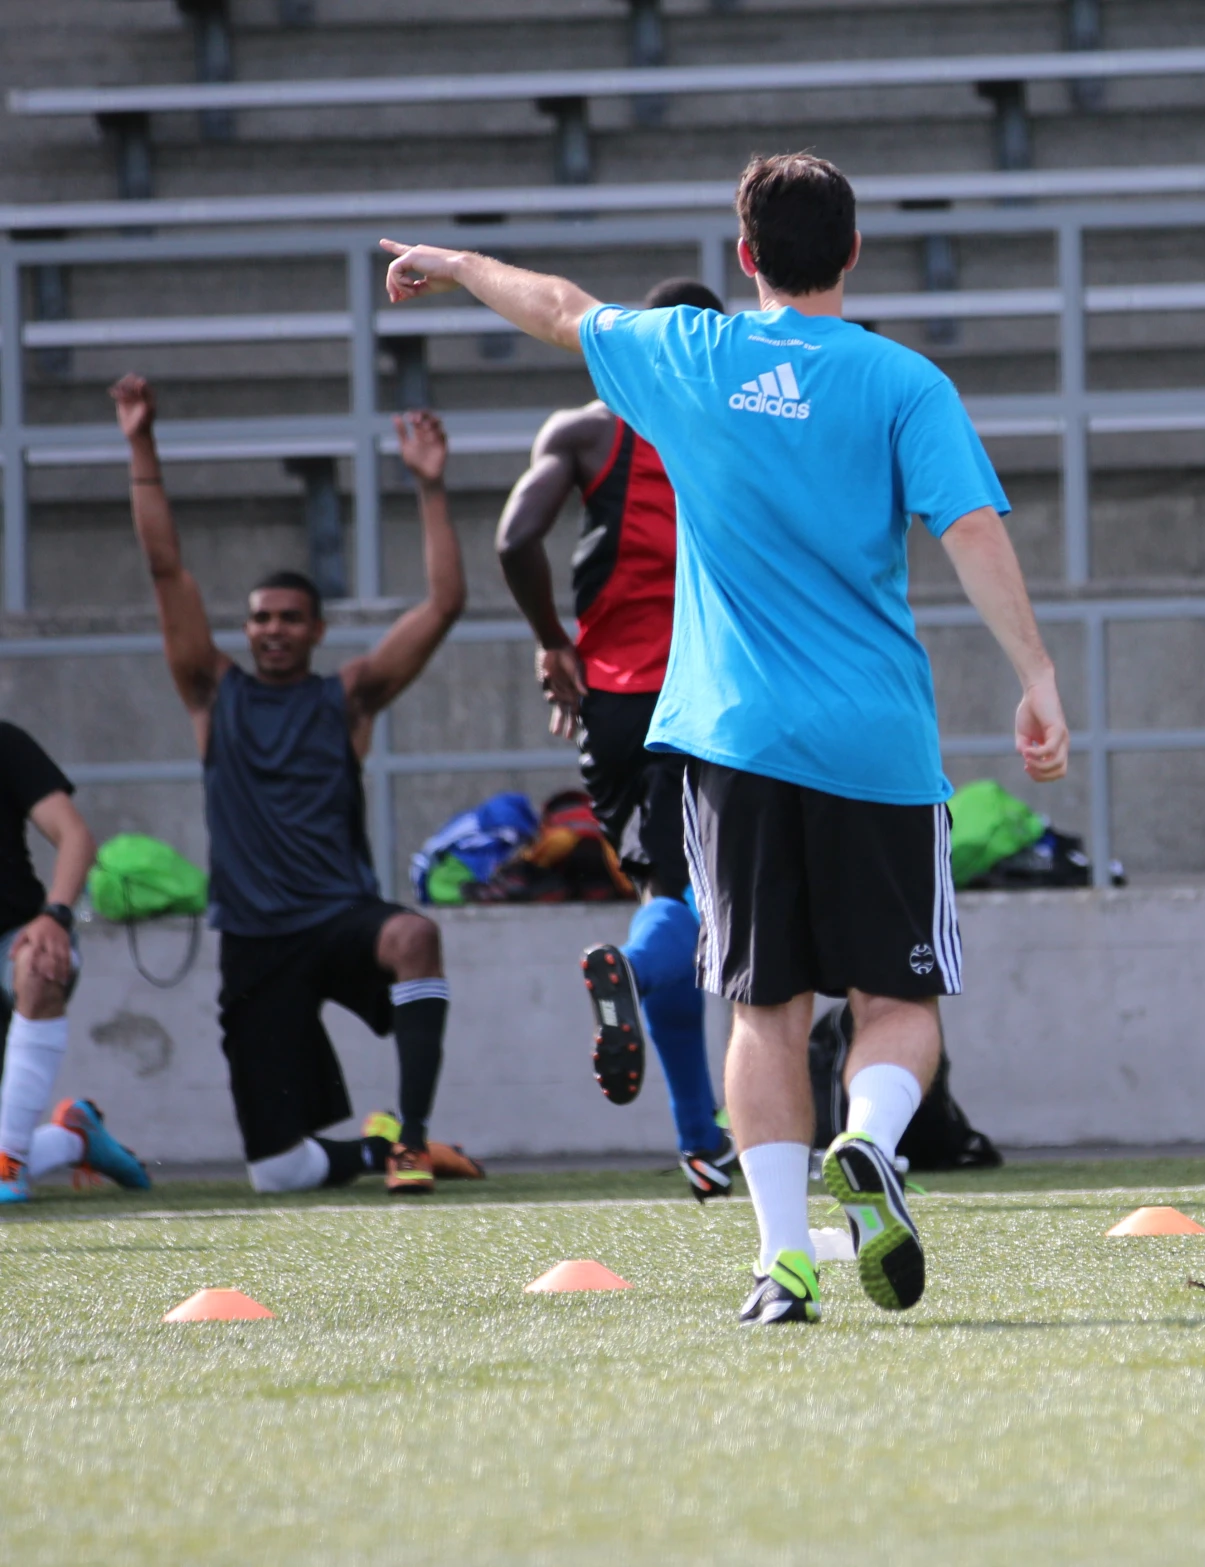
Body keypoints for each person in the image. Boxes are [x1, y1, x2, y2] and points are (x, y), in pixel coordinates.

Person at [381, 150, 1069, 1326]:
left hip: (733, 740)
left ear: (745, 257)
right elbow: (971, 532)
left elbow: (556, 305)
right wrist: (1037, 676)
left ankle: (782, 1262)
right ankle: (870, 1141)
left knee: (762, 1007)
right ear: (851, 254)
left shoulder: (687, 359)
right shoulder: (905, 384)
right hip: (875, 743)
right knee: (897, 998)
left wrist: (453, 264)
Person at [114, 375, 485, 1195]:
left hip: (338, 918)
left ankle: (413, 1142)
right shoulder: (213, 692)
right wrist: (140, 442)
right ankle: (378, 1149)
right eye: (260, 618)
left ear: (315, 629)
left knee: (415, 935)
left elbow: (446, 602)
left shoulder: (347, 696)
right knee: (278, 1171)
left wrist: (430, 484)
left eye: (289, 617)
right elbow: (165, 566)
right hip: (256, 939)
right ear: (245, 630)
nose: (272, 629)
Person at [495, 275, 735, 1202]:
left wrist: (553, 641)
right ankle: (630, 976)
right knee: (691, 907)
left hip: (615, 704)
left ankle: (698, 1140)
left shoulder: (587, 428)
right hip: (715, 699)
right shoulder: (736, 424)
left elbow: (517, 539)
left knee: (664, 892)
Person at [0, 723, 149, 1203]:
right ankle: (74, 1138)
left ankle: (6, 1164)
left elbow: (74, 835)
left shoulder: (4, 742)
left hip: (12, 944)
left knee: (38, 963)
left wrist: (56, 915)